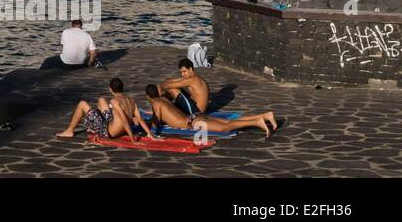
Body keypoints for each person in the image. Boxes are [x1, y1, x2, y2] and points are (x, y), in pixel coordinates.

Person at [144, 84, 278, 138]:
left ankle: (258, 122)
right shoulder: (164, 100)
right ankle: (265, 116)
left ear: (148, 97)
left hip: (193, 122)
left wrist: (146, 125)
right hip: (195, 117)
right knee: (229, 122)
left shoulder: (156, 104)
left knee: (225, 127)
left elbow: (156, 123)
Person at [56, 77, 154, 140]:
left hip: (107, 132)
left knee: (82, 104)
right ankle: (93, 122)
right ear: (122, 88)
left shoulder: (114, 102)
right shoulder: (131, 100)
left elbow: (124, 121)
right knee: (101, 100)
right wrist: (151, 135)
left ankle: (69, 131)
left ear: (110, 89)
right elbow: (140, 119)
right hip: (114, 125)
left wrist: (132, 140)